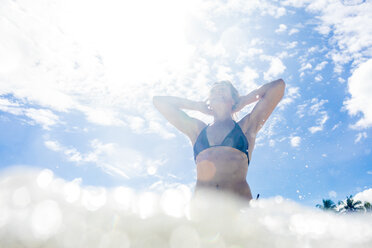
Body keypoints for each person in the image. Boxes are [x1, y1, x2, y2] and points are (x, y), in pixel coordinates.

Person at [153, 79, 285, 203]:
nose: (217, 92)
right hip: (203, 211)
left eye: (222, 89)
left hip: (239, 208)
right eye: (213, 91)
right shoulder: (197, 130)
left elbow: (278, 86)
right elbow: (159, 102)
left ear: (233, 100)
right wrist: (196, 106)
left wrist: (245, 100)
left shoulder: (246, 127)